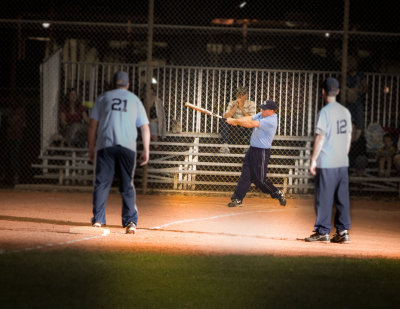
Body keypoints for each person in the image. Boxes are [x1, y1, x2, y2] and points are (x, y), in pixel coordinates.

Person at [88, 71, 150, 234]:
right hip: (128, 146)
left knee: (102, 183)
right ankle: (130, 221)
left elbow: (92, 126)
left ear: (113, 83)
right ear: (128, 84)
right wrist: (146, 149)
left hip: (106, 145)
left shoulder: (103, 98)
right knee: (127, 184)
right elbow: (144, 127)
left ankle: (99, 220)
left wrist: (91, 148)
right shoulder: (135, 99)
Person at [306, 77, 352, 244]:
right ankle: (343, 231)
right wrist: (344, 155)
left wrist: (313, 160)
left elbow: (320, 137)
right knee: (342, 198)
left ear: (323, 91)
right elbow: (348, 137)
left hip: (327, 161)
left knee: (324, 197)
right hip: (342, 161)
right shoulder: (345, 112)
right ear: (338, 91)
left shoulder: (325, 112)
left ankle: (323, 231)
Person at [225, 100, 286, 207]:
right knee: (245, 176)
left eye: (264, 109)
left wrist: (236, 121)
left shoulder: (271, 120)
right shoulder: (262, 115)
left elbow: (251, 124)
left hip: (261, 152)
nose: (261, 110)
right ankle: (237, 199)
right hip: (252, 150)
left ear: (271, 111)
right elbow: (249, 118)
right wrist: (236, 120)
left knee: (260, 180)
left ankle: (277, 193)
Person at [219, 86, 256, 153]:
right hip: (234, 125)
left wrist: (241, 108)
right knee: (223, 120)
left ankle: (248, 147)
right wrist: (236, 107)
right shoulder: (232, 103)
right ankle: (225, 146)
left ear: (246, 96)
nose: (240, 96)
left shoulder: (251, 103)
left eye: (242, 95)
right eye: (239, 94)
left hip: (245, 124)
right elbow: (226, 116)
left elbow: (251, 118)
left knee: (252, 123)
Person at [345, 56, 367, 134]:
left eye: (353, 63)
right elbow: (341, 86)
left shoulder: (360, 75)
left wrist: (358, 90)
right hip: (347, 102)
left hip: (358, 101)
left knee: (359, 122)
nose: (351, 65)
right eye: (349, 63)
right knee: (348, 121)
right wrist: (348, 90)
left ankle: (359, 140)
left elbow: (366, 89)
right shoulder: (345, 75)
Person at [142, 85, 166, 149]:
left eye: (149, 89)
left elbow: (161, 116)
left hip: (155, 121)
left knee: (152, 125)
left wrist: (153, 120)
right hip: (144, 121)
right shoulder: (142, 100)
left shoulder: (157, 100)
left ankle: (155, 145)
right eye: (146, 90)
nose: (148, 91)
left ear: (152, 90)